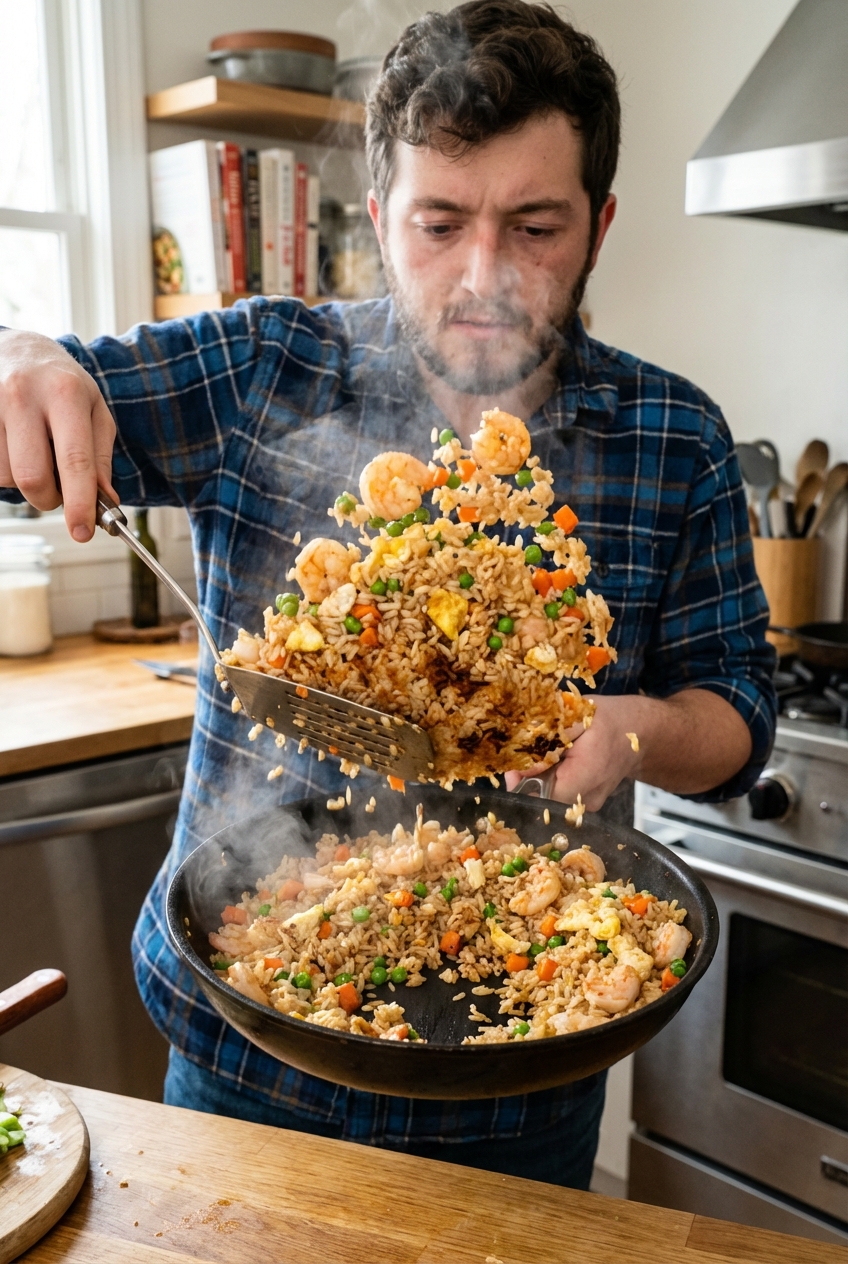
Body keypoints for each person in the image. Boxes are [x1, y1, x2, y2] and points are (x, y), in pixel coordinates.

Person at [0, 1, 775, 1188]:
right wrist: (19, 356)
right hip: (245, 1052)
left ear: (599, 226)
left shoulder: (674, 437)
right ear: (377, 218)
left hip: (517, 1070)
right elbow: (45, 389)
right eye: (439, 224)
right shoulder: (261, 367)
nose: (484, 276)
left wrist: (625, 729)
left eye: (534, 227)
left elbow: (736, 717)